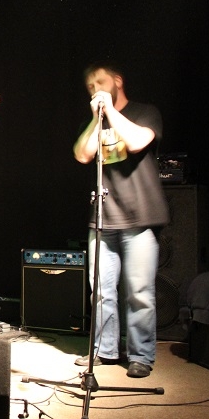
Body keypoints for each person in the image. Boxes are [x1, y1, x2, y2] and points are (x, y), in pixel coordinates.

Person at [72, 62, 169, 378]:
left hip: (140, 216)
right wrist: (96, 119)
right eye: (90, 86)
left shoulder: (145, 112)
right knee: (100, 291)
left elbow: (138, 141)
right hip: (104, 218)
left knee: (139, 292)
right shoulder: (95, 122)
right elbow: (82, 154)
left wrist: (110, 112)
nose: (95, 89)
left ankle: (141, 355)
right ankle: (105, 350)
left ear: (117, 81)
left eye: (100, 82)